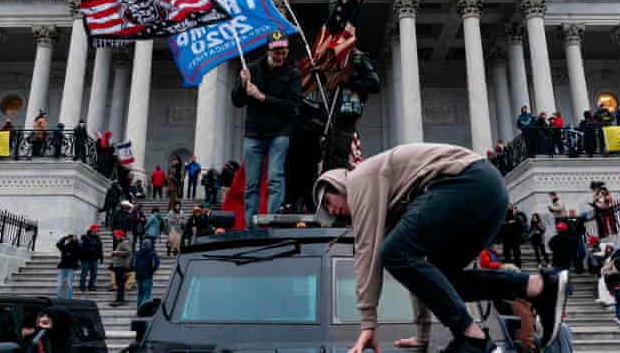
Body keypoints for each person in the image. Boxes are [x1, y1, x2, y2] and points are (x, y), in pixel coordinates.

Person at [313, 143, 569, 352]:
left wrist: (368, 324)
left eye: (328, 201)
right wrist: (423, 335)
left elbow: (367, 255)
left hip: (467, 181)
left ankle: (473, 338)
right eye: (327, 212)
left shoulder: (360, 180)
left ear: (338, 184)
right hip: (489, 191)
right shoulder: (391, 201)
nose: (332, 210)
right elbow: (420, 277)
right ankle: (537, 286)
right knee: (444, 278)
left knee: (392, 252)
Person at [232, 29, 302, 227]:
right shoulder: (252, 69)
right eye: (276, 52)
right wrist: (242, 84)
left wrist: (262, 97)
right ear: (268, 50)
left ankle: (273, 223)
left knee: (275, 178)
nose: (280, 56)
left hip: (280, 132)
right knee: (251, 183)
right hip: (254, 133)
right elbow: (237, 101)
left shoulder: (293, 73)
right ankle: (251, 225)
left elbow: (293, 106)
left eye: (283, 51)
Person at [322, 48, 381, 171]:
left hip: (346, 120)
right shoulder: (334, 66)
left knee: (339, 162)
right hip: (332, 121)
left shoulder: (356, 57)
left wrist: (350, 80)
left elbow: (374, 84)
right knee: (329, 162)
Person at [134, 239, 161, 311]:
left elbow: (133, 264)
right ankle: (142, 310)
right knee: (146, 294)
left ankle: (138, 309)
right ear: (150, 245)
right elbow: (157, 263)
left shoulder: (137, 253)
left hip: (139, 276)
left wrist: (136, 271)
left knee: (140, 294)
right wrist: (152, 270)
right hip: (147, 276)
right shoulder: (152, 253)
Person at [109, 229, 132, 307]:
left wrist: (116, 252)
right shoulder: (121, 242)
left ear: (120, 235)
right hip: (118, 266)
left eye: (116, 235)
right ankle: (119, 299)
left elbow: (129, 252)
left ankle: (120, 300)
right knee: (119, 283)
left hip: (121, 266)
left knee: (120, 284)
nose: (115, 237)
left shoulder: (125, 242)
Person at [55, 234, 80, 300]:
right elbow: (58, 244)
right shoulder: (65, 246)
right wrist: (65, 238)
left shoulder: (76, 246)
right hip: (63, 267)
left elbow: (79, 248)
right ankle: (58, 298)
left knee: (69, 284)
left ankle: (68, 298)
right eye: (71, 238)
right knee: (60, 284)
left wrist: (75, 240)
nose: (72, 239)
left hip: (71, 267)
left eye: (73, 237)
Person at [501, 203, 524, 269]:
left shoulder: (517, 215)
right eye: (508, 205)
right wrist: (508, 222)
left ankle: (518, 267)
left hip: (515, 237)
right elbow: (502, 223)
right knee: (506, 254)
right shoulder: (504, 214)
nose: (509, 207)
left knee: (516, 253)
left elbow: (521, 225)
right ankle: (508, 268)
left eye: (510, 206)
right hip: (506, 237)